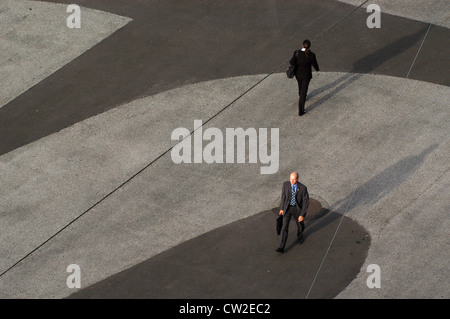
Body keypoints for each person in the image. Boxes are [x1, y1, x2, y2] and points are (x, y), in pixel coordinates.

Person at [276, 172, 309, 253]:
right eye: (291, 179)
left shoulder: (303, 188)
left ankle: (300, 236)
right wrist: (282, 208)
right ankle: (281, 246)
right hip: (287, 208)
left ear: (297, 179)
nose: (292, 181)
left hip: (297, 209)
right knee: (284, 227)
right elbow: (283, 197)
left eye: (294, 179)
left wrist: (302, 215)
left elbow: (306, 202)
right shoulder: (285, 185)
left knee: (300, 225)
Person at [289, 39, 320, 116]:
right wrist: (317, 69)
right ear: (309, 46)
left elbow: (291, 62)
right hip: (306, 75)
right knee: (304, 91)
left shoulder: (297, 53)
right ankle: (301, 110)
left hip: (298, 74)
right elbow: (315, 64)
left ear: (302, 45)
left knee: (300, 85)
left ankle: (300, 95)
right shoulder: (312, 55)